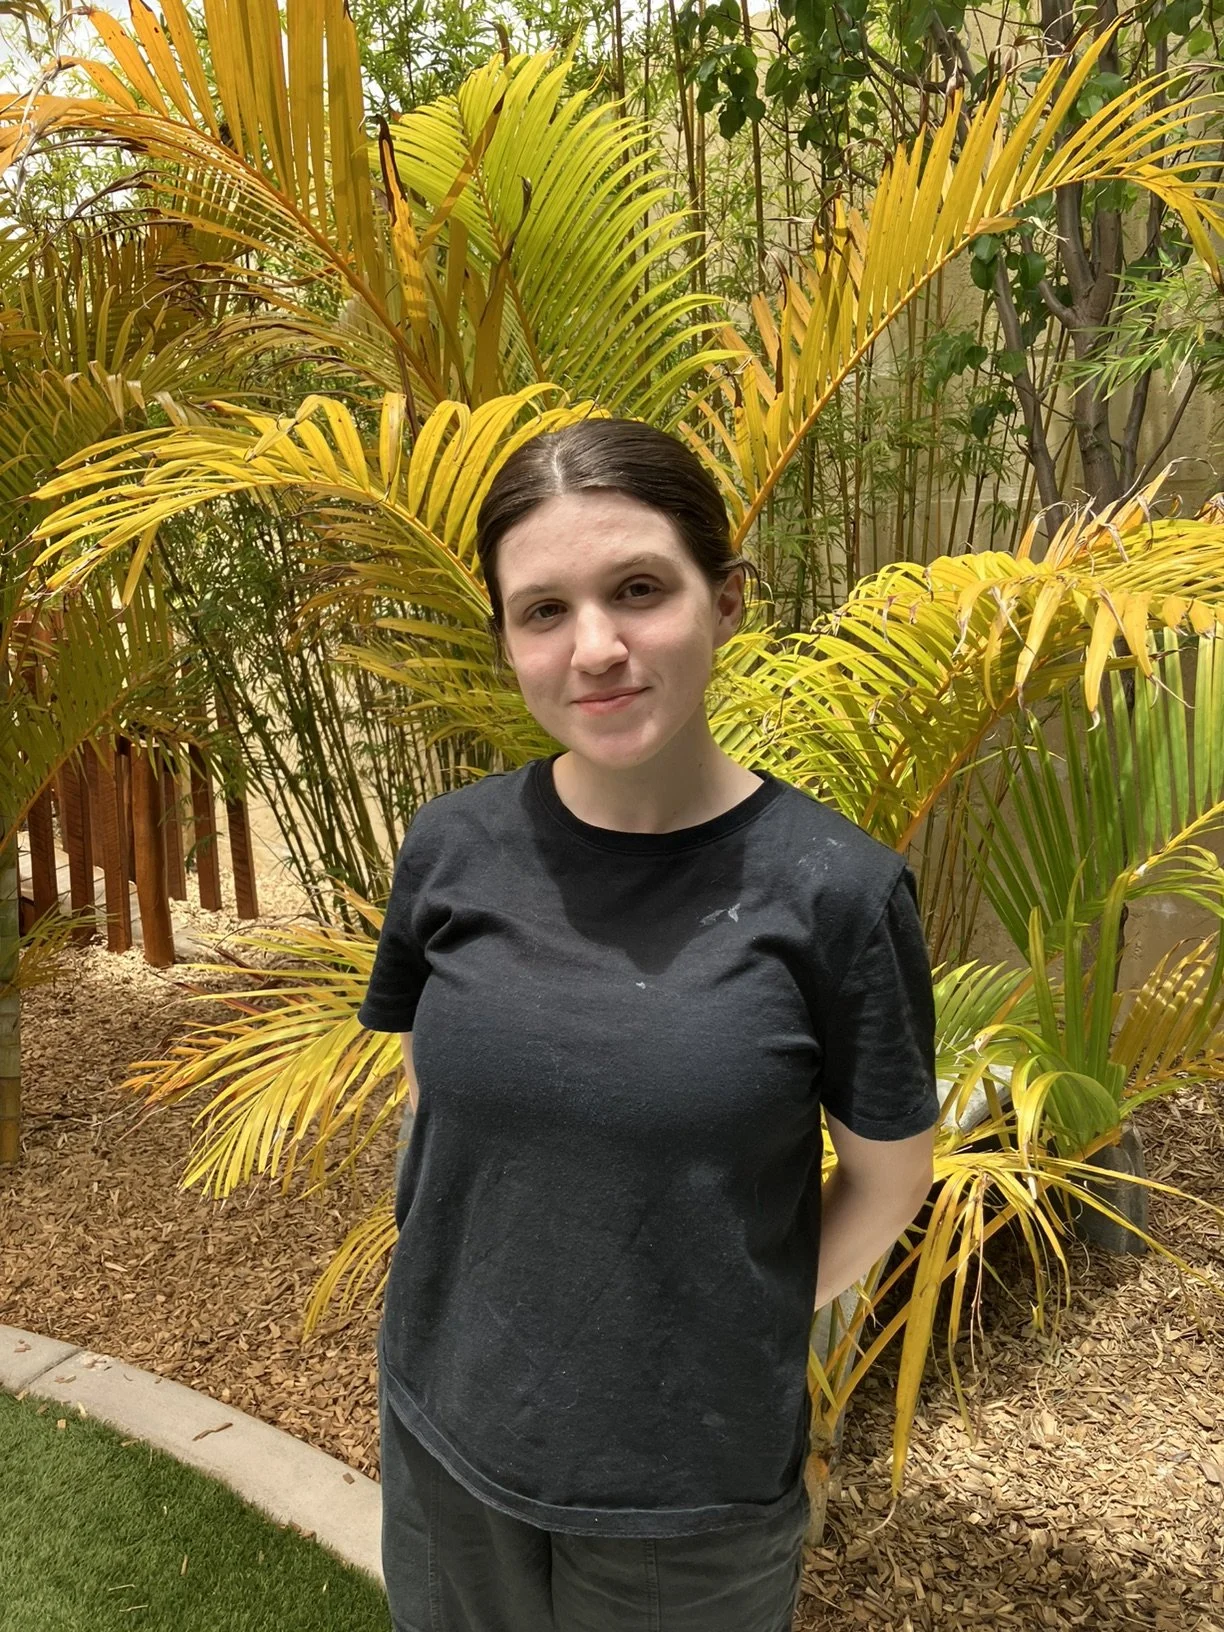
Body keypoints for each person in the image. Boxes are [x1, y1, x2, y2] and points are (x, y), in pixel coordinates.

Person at [356, 415, 942, 1632]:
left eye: (639, 590)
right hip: (444, 1438)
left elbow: (889, 1181)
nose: (598, 648)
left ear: (726, 600)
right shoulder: (452, 846)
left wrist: (733, 1327)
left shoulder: (836, 892)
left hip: (689, 1494)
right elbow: (432, 1086)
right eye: (545, 610)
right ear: (508, 641)